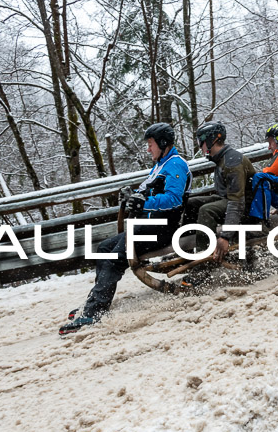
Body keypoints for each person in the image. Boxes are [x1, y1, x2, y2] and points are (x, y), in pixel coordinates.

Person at [59, 123, 191, 335]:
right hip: (147, 225)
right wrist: (132, 195)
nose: (148, 149)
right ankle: (95, 302)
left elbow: (174, 199)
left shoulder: (175, 165)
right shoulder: (159, 165)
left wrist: (143, 202)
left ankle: (94, 312)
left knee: (114, 258)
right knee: (103, 248)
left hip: (164, 228)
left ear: (163, 143)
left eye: (150, 144)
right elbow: (144, 192)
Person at [182, 121, 256, 263]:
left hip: (246, 209)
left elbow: (237, 203)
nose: (200, 147)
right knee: (192, 203)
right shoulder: (221, 159)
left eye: (200, 142)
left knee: (206, 210)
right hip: (231, 202)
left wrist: (225, 236)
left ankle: (203, 266)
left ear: (211, 140)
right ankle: (186, 252)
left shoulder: (232, 161)